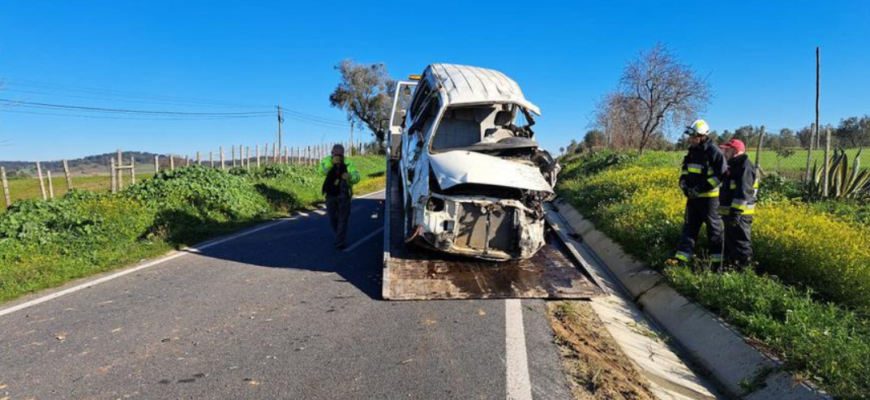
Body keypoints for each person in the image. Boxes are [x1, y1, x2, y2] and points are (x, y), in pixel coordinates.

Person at [675, 119, 727, 267]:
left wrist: (700, 188)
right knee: (689, 228)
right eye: (690, 137)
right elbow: (685, 170)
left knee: (714, 231)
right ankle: (682, 261)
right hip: (693, 199)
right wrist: (684, 184)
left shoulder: (714, 152)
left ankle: (717, 264)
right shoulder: (692, 151)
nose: (691, 140)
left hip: (710, 200)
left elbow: (720, 175)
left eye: (694, 137)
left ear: (703, 136)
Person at [717, 139, 758, 270]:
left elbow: (743, 193)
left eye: (727, 150)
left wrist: (735, 214)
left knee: (741, 244)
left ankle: (745, 272)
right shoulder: (733, 166)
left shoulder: (744, 166)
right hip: (732, 215)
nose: (724, 152)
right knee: (731, 244)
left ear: (735, 151)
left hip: (740, 215)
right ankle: (732, 269)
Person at [318, 144, 361, 249]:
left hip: (344, 194)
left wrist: (350, 177)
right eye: (335, 154)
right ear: (332, 153)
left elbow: (357, 177)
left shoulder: (348, 163)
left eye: (340, 154)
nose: (338, 156)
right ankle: (339, 235)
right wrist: (331, 163)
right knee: (333, 218)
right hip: (330, 194)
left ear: (343, 154)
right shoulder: (327, 161)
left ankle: (339, 241)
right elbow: (321, 171)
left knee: (343, 218)